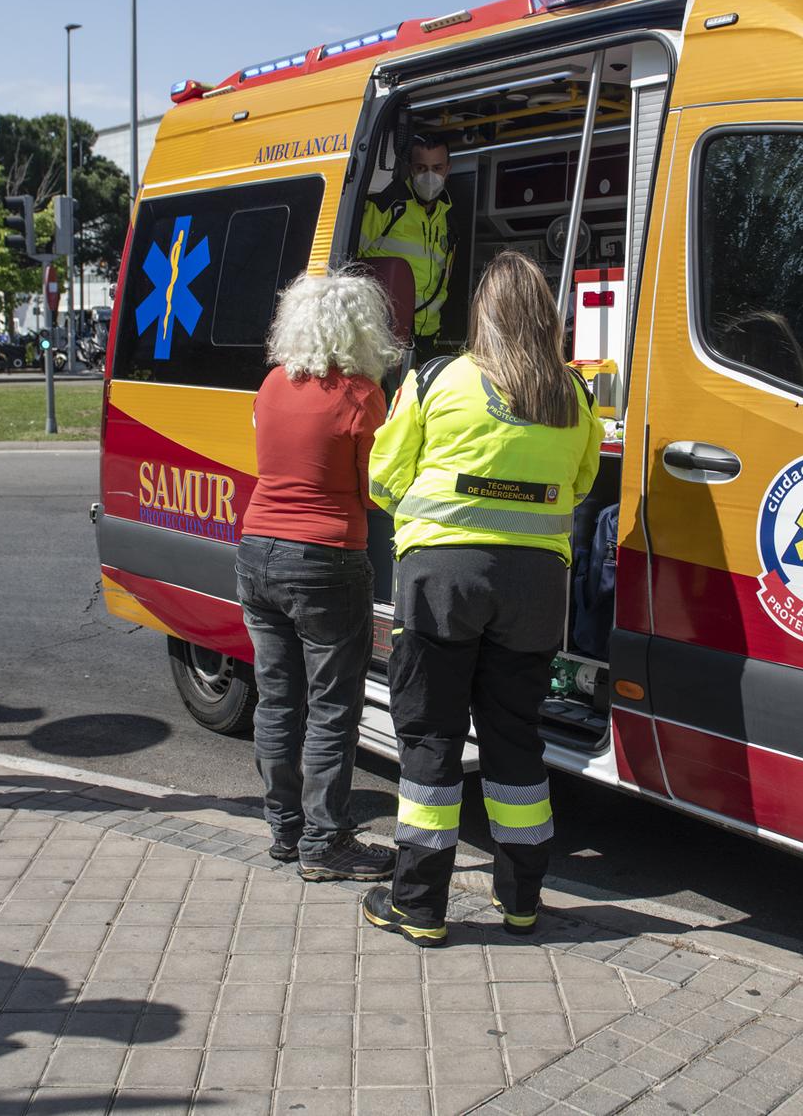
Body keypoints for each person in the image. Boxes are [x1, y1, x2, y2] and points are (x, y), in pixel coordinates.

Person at [362, 251, 602, 945]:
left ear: (482, 313)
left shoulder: (438, 378)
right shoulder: (573, 396)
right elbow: (582, 484)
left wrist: (435, 515)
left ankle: (419, 905)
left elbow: (383, 477)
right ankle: (523, 901)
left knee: (432, 739)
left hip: (442, 584)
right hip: (533, 591)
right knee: (515, 742)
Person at [237, 271, 403, 883]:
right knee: (333, 707)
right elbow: (374, 489)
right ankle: (325, 842)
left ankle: (283, 829)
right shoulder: (361, 395)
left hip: (257, 549)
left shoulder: (273, 382)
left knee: (278, 699)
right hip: (326, 558)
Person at [359, 130, 456, 361]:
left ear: (448, 170)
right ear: (410, 169)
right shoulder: (387, 206)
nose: (430, 176)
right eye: (421, 168)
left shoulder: (448, 218)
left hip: (427, 336)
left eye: (437, 168)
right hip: (383, 337)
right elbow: (346, 260)